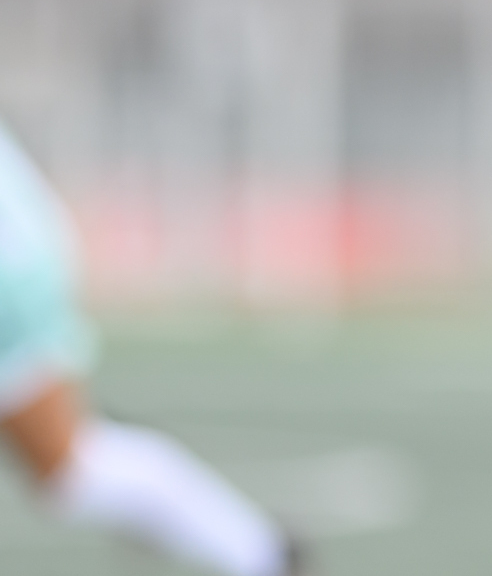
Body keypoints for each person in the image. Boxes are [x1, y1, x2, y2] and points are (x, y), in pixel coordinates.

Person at [0, 122, 298, 576]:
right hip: (23, 252)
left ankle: (262, 554)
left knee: (71, 472)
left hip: (13, 280)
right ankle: (261, 552)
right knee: (73, 471)